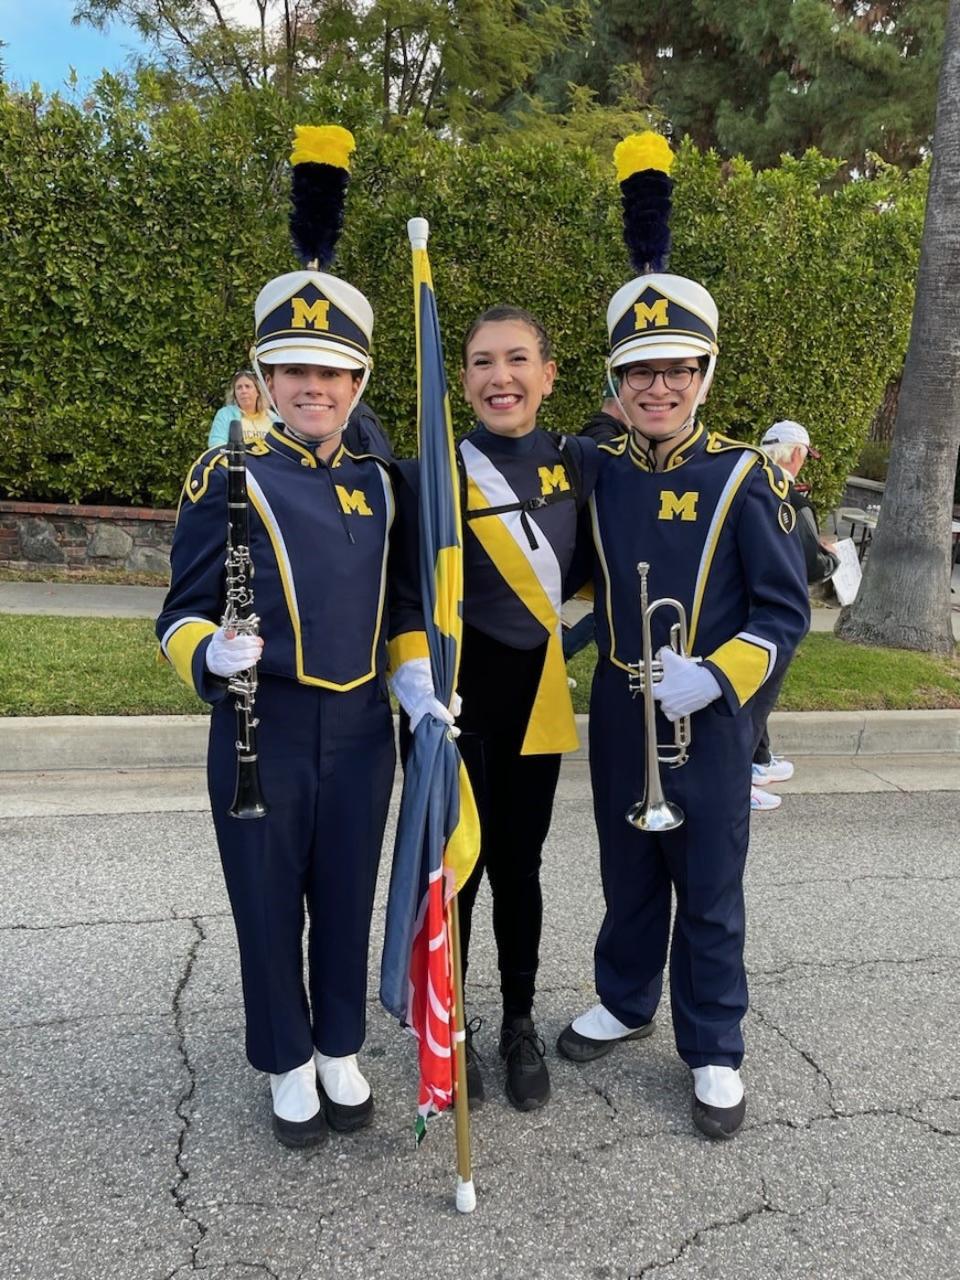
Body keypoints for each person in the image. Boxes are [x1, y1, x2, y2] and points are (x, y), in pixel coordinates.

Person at [156, 125, 435, 1150]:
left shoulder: (381, 480)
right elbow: (175, 613)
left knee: (347, 888)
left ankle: (338, 1045)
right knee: (269, 899)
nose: (315, 387)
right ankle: (283, 1058)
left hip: (362, 729)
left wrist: (414, 687)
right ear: (264, 377)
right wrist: (205, 653)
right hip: (260, 724)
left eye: (333, 372)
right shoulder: (223, 477)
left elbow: (403, 605)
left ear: (359, 382)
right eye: (294, 370)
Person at [557, 132, 810, 1140]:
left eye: (673, 371)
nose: (655, 388)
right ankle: (626, 996)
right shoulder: (602, 467)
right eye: (638, 373)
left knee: (707, 887)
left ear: (703, 375)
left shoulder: (750, 478)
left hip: (706, 717)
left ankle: (714, 1044)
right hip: (619, 711)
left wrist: (718, 678)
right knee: (626, 873)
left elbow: (785, 613)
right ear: (617, 383)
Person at [437, 304, 598, 1113]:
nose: (500, 377)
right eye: (480, 363)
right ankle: (452, 1025)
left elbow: (608, 574)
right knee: (458, 871)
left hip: (535, 702)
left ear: (547, 373)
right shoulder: (433, 468)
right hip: (457, 701)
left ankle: (519, 1021)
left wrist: (560, 640)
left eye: (516, 360)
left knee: (520, 870)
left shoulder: (581, 465)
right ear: (462, 380)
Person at [748, 419, 841, 812]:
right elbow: (809, 565)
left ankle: (757, 760)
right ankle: (741, 780)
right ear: (797, 453)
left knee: (753, 697)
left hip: (744, 604)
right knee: (756, 699)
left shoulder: (747, 481)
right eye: (805, 454)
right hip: (773, 611)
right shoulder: (787, 493)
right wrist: (832, 557)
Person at [207, 370, 272, 446]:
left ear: (258, 391)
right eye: (239, 387)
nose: (243, 391)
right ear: (235, 394)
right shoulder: (224, 415)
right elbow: (216, 445)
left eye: (248, 386)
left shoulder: (272, 418)